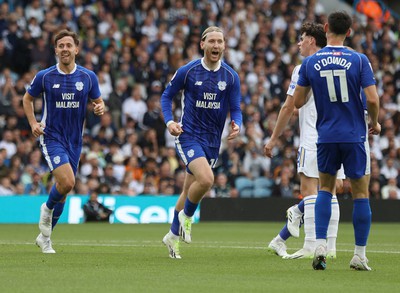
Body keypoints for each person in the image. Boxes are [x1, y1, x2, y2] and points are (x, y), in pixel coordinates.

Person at [293, 11, 381, 270]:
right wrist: (373, 122)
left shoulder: (310, 62)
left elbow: (298, 102)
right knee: (360, 194)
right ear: (350, 32)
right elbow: (373, 100)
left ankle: (320, 245)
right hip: (354, 136)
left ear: (327, 27)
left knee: (325, 189)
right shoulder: (359, 59)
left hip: (326, 136)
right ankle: (359, 255)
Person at [264, 22, 345, 259]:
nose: (298, 43)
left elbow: (290, 106)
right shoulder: (339, 63)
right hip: (337, 135)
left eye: (302, 38)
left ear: (312, 40)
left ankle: (310, 244)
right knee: (333, 190)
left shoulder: (304, 67)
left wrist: (272, 139)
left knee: (310, 189)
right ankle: (329, 248)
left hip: (313, 137)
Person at [160, 26, 242, 259]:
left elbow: (235, 108)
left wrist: (236, 123)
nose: (216, 45)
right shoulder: (189, 71)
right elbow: (166, 96)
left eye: (220, 41)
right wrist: (169, 122)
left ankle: (172, 238)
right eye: (212, 41)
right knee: (206, 180)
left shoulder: (231, 76)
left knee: (188, 190)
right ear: (202, 45)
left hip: (213, 141)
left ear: (224, 46)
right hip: (188, 136)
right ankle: (187, 216)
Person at [22, 29, 105, 253]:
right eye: (61, 46)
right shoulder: (45, 76)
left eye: (69, 45)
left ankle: (44, 238)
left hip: (75, 141)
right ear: (56, 50)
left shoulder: (88, 77)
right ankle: (47, 208)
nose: (65, 49)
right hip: (52, 137)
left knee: (64, 190)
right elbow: (27, 99)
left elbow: (99, 102)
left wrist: (100, 107)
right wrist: (33, 123)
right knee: (68, 183)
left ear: (76, 49)